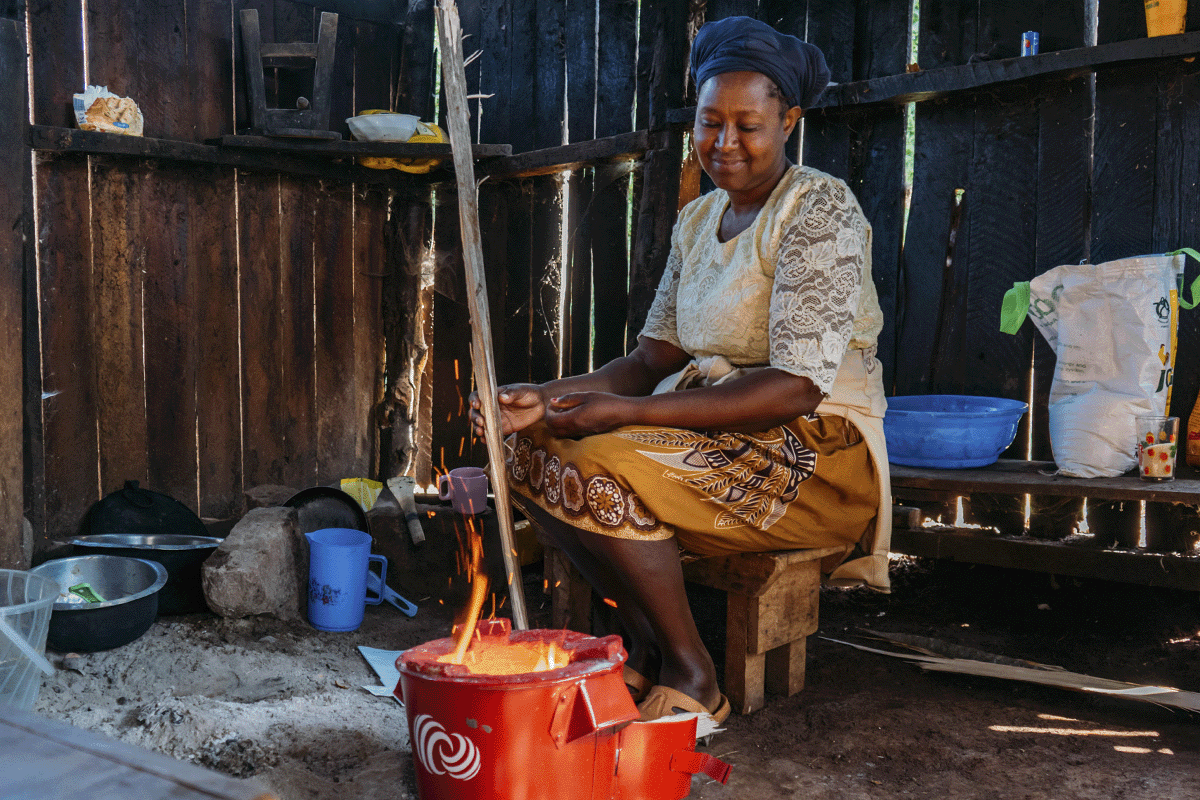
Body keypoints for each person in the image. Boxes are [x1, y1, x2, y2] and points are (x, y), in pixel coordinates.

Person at [470, 16, 892, 723]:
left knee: (603, 459)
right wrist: (538, 401)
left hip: (818, 450)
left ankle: (696, 677)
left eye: (748, 126)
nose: (725, 144)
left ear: (789, 120)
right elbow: (649, 362)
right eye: (710, 122)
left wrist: (626, 415)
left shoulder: (817, 208)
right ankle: (642, 648)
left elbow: (795, 387)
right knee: (524, 448)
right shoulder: (698, 221)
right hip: (716, 434)